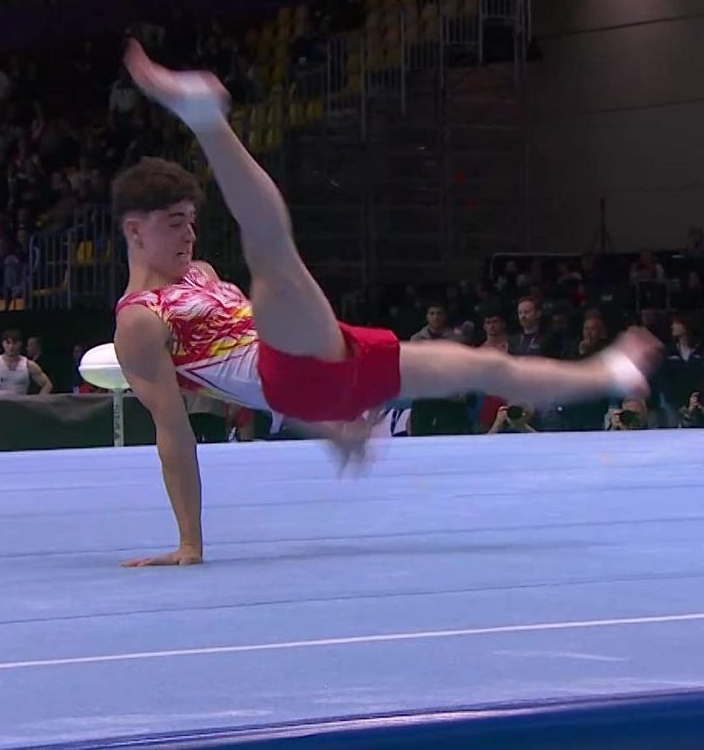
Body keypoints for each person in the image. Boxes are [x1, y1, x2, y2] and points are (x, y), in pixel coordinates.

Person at [111, 40, 660, 567]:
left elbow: (261, 378)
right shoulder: (139, 320)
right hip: (292, 368)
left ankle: (608, 372)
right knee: (271, 251)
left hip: (329, 359)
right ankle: (207, 121)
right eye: (174, 223)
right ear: (135, 231)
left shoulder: (201, 273)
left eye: (191, 222)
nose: (189, 235)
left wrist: (329, 425)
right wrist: (190, 544)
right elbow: (174, 432)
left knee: (486, 365)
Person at [0, 329, 54, 396]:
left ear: (20, 344)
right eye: (8, 343)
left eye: (15, 343)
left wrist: (37, 403)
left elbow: (47, 385)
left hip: (20, 408)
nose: (11, 347)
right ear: (3, 344)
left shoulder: (29, 365)